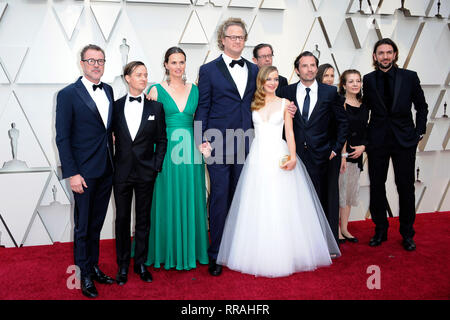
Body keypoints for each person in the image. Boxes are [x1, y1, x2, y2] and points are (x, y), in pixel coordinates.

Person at [217, 66, 340, 277]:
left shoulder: (285, 104)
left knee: (282, 203)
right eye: (268, 79)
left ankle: (286, 252)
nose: (273, 83)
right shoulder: (251, 104)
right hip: (257, 157)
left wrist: (293, 157)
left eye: (275, 79)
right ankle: (258, 252)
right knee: (257, 204)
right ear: (261, 82)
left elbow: (290, 133)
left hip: (279, 155)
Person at [194, 18, 259, 277]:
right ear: (222, 39)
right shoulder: (208, 70)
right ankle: (217, 254)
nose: (237, 41)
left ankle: (238, 249)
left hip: (247, 144)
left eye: (241, 37)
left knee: (241, 198)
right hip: (218, 144)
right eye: (232, 37)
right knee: (220, 198)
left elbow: (262, 100)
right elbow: (203, 107)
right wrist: (202, 140)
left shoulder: (254, 70)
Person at [55, 44, 115, 298]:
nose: (96, 64)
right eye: (91, 60)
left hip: (106, 169)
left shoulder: (109, 90)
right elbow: (63, 137)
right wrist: (72, 173)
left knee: (96, 224)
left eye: (100, 60)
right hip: (83, 172)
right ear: (82, 63)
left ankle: (94, 266)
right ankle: (84, 276)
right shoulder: (68, 94)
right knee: (82, 226)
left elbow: (107, 129)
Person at [145, 47, 209, 270]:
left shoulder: (197, 90)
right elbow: (147, 122)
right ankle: (167, 250)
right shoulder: (154, 89)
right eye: (173, 62)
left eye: (182, 62)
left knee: (191, 196)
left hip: (191, 148)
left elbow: (203, 118)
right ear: (165, 65)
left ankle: (192, 250)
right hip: (165, 149)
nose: (178, 67)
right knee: (166, 196)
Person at [363, 38, 428, 251]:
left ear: (395, 54)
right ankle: (380, 229)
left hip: (404, 141)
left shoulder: (410, 77)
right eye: (381, 53)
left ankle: (407, 233)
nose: (385, 56)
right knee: (377, 187)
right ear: (374, 56)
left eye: (389, 52)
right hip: (377, 141)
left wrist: (419, 132)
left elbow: (422, 106)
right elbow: (364, 111)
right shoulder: (368, 79)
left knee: (406, 188)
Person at [277, 52, 348, 244]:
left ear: (316, 68)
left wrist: (335, 149)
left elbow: (342, 123)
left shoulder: (330, 92)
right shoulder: (286, 92)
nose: (309, 69)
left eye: (312, 65)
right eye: (304, 66)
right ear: (297, 70)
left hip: (324, 155)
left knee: (326, 199)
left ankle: (327, 242)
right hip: (296, 154)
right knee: (297, 200)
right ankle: (300, 242)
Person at [112, 61, 167, 285]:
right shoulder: (114, 107)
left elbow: (162, 140)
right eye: (138, 75)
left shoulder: (156, 107)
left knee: (143, 220)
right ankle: (123, 265)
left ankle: (141, 263)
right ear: (127, 78)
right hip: (121, 172)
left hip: (146, 173)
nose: (144, 79)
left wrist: (156, 165)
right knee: (122, 219)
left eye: (146, 75)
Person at [337, 69, 369, 244]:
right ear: (344, 85)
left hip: (357, 155)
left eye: (358, 81)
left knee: (349, 194)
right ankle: (336, 230)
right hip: (343, 156)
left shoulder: (364, 105)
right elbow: (340, 131)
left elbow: (368, 129)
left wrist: (364, 147)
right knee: (340, 193)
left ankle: (345, 228)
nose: (355, 84)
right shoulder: (340, 103)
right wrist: (342, 156)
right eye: (351, 81)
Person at [315, 63, 342, 245]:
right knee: (315, 194)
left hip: (331, 153)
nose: (330, 79)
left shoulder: (336, 96)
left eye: (332, 76)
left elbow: (343, 125)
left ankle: (331, 238)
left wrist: (337, 149)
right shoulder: (313, 95)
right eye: (326, 76)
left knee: (331, 195)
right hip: (313, 152)